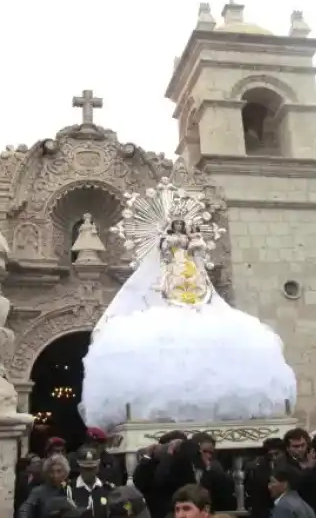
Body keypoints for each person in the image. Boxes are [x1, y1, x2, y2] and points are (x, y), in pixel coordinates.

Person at [79, 178, 297, 428]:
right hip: (172, 278)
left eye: (182, 225)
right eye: (177, 225)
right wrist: (171, 243)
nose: (180, 228)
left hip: (195, 280)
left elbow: (200, 250)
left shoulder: (191, 240)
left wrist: (194, 241)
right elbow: (163, 249)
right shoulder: (166, 243)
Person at [154, 433, 234, 515]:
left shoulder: (213, 471)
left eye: (211, 453)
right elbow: (161, 479)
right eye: (204, 451)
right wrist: (169, 455)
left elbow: (223, 494)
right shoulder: (181, 467)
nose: (208, 456)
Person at [133, 430, 188, 518]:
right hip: (155, 512)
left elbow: (162, 478)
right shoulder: (153, 462)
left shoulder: (184, 463)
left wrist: (169, 456)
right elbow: (139, 481)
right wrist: (147, 457)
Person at [70, 446, 115, 518]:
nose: (89, 472)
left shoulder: (108, 489)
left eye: (92, 468)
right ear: (79, 468)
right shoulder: (69, 489)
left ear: (98, 468)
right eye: (85, 469)